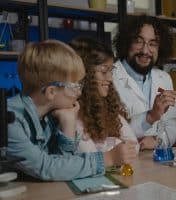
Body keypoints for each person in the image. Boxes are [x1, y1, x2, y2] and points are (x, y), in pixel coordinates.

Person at [7, 40, 136, 181]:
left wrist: (68, 124)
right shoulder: (11, 120)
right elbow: (46, 167)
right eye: (74, 87)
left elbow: (65, 166)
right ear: (51, 92)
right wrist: (107, 159)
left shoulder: (51, 116)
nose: (79, 93)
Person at [112, 14, 176, 150]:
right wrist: (150, 116)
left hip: (155, 162)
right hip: (123, 162)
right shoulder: (109, 77)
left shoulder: (164, 78)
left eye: (153, 44)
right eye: (138, 41)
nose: (145, 50)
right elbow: (109, 132)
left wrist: (158, 140)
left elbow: (172, 124)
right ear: (126, 43)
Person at [69, 37, 139, 154]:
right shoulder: (73, 111)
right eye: (104, 71)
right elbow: (89, 156)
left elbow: (134, 146)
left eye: (111, 70)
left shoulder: (107, 107)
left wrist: (108, 148)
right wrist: (115, 146)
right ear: (84, 73)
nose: (110, 78)